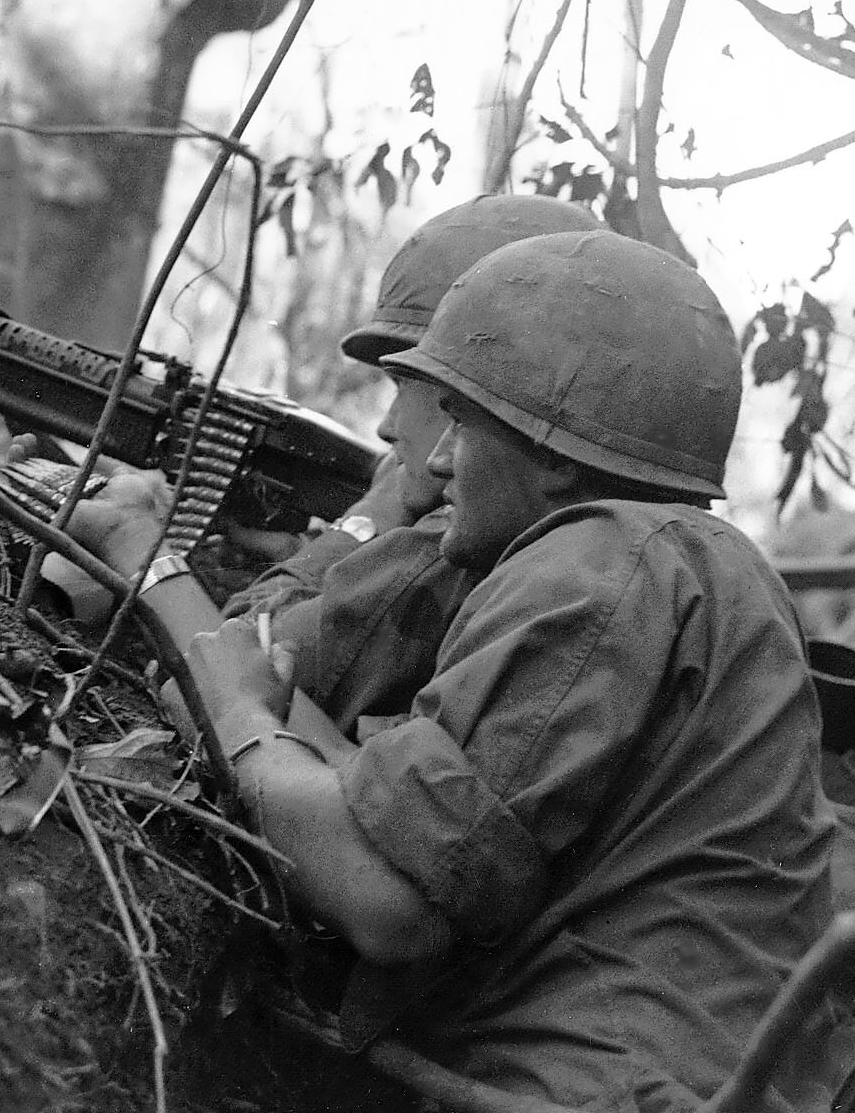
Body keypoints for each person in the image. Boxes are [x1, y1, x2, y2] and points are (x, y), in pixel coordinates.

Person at [174, 230, 843, 1111]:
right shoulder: (680, 563)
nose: (436, 459)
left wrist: (238, 716)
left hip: (588, 1090)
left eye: (460, 419)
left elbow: (389, 901)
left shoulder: (599, 566)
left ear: (558, 448)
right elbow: (418, 814)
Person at [68, 194, 604, 737]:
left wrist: (136, 538)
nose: (387, 427)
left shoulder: (454, 548)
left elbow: (229, 665)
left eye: (406, 385)